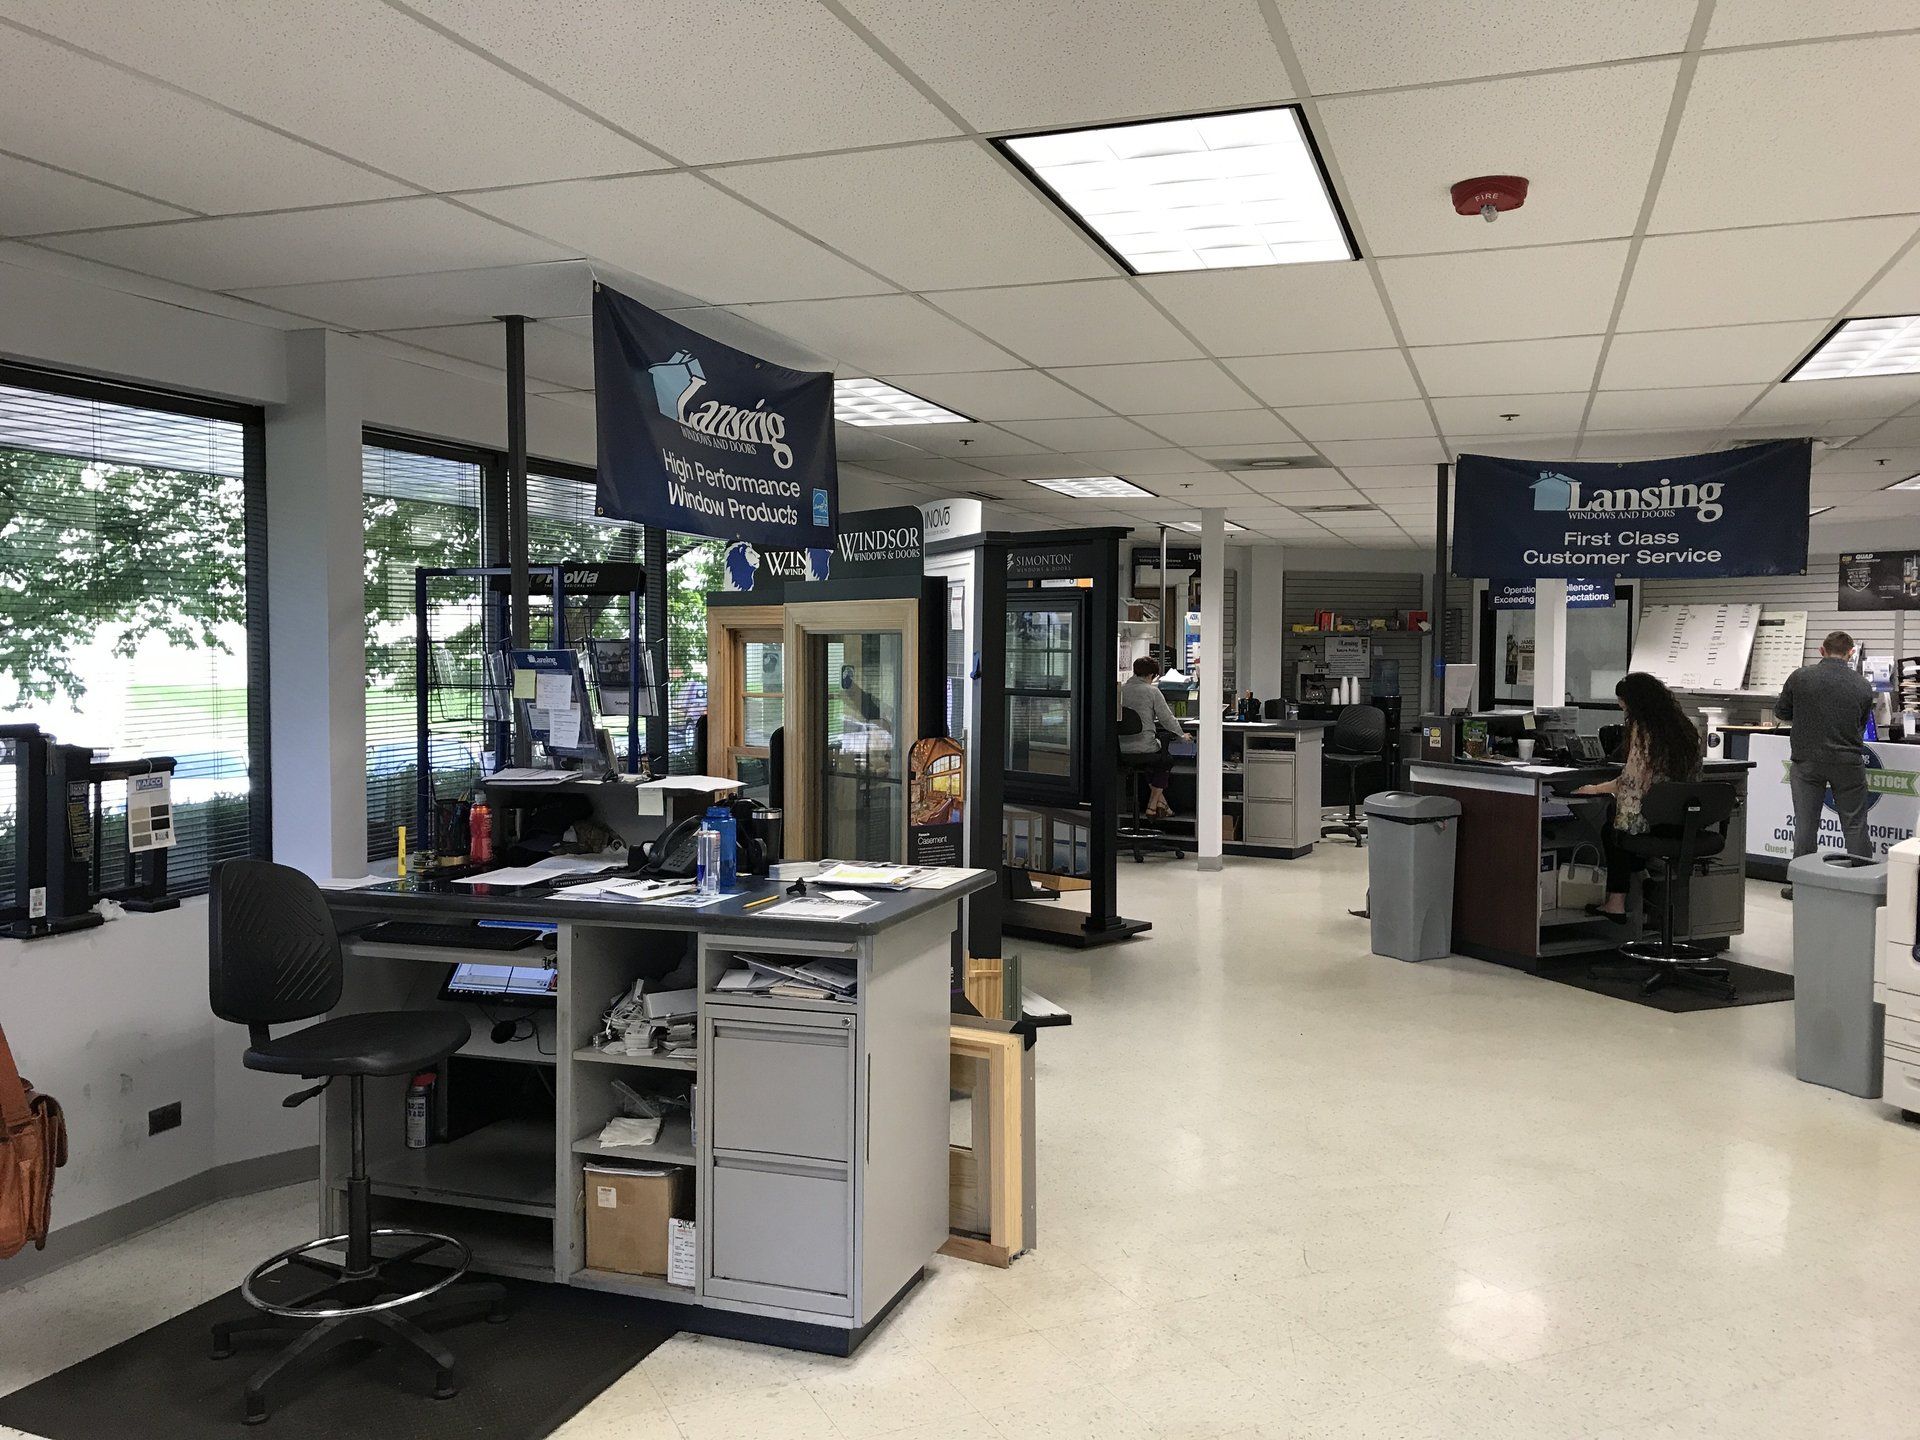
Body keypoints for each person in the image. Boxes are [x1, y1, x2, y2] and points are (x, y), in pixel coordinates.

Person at [1573, 672, 1703, 920]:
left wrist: (1596, 788)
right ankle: (1641, 875)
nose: (1623, 711)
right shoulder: (1685, 727)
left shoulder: (1644, 732)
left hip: (1654, 821)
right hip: (1682, 822)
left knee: (1614, 825)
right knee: (1619, 822)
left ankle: (1617, 901)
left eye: (1624, 705)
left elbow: (1631, 782)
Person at [1776, 630, 1874, 894]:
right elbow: (1861, 724)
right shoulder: (1863, 685)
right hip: (1848, 762)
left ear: (1821, 650)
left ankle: (1800, 887)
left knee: (1806, 823)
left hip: (1807, 761)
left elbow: (1781, 712)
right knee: (1854, 823)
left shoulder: (1800, 677)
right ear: (1851, 653)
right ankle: (1862, 885)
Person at [1119, 657, 1185, 818]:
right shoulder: (1152, 691)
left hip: (1120, 749)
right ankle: (1152, 804)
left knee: (1149, 763)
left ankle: (1161, 804)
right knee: (1165, 760)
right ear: (1152, 675)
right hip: (1144, 747)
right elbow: (1166, 719)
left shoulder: (1120, 690)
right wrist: (1182, 734)